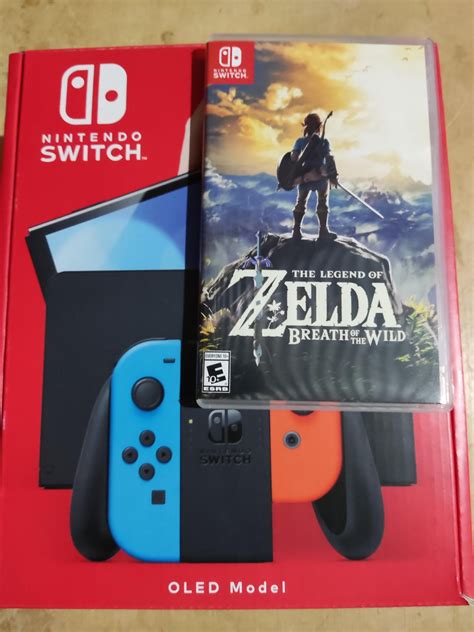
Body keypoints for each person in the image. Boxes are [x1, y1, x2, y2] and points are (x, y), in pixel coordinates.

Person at [290, 113, 339, 240]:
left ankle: (296, 231)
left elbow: (293, 158)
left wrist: (296, 172)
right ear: (319, 126)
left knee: (301, 202)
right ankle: (323, 231)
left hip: (305, 176)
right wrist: (332, 175)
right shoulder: (324, 142)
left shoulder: (300, 142)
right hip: (320, 176)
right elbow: (329, 158)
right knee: (322, 202)